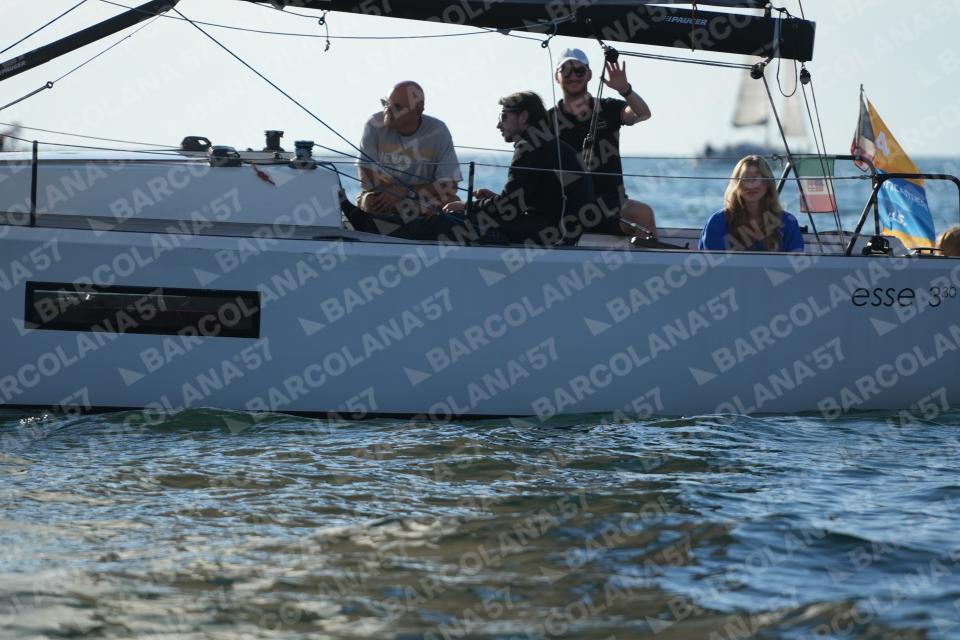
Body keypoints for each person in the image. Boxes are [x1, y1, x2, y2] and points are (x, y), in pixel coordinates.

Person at [443, 91, 590, 246]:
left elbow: (509, 205)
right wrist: (494, 200)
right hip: (564, 228)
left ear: (524, 117)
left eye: (503, 116)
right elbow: (520, 201)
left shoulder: (529, 146)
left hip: (552, 231)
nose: (498, 124)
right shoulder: (546, 143)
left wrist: (467, 206)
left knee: (456, 219)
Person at [546, 48, 657, 238]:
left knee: (643, 214)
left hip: (610, 203)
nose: (573, 76)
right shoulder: (547, 121)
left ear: (589, 75)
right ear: (557, 77)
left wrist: (625, 90)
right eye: (565, 71)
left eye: (579, 71)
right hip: (566, 204)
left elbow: (642, 113)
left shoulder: (608, 108)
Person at [354, 81, 463, 239]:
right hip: (384, 196)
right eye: (385, 103)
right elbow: (366, 174)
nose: (387, 110)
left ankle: (401, 227)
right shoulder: (374, 124)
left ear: (418, 111)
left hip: (420, 197)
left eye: (396, 107)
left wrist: (406, 192)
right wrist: (391, 192)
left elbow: (450, 185)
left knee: (453, 203)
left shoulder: (438, 130)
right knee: (371, 201)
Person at [699, 155, 804, 252]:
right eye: (746, 179)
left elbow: (795, 261)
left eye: (757, 178)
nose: (751, 185)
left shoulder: (788, 222)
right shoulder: (718, 222)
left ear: (768, 184)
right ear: (736, 184)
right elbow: (710, 263)